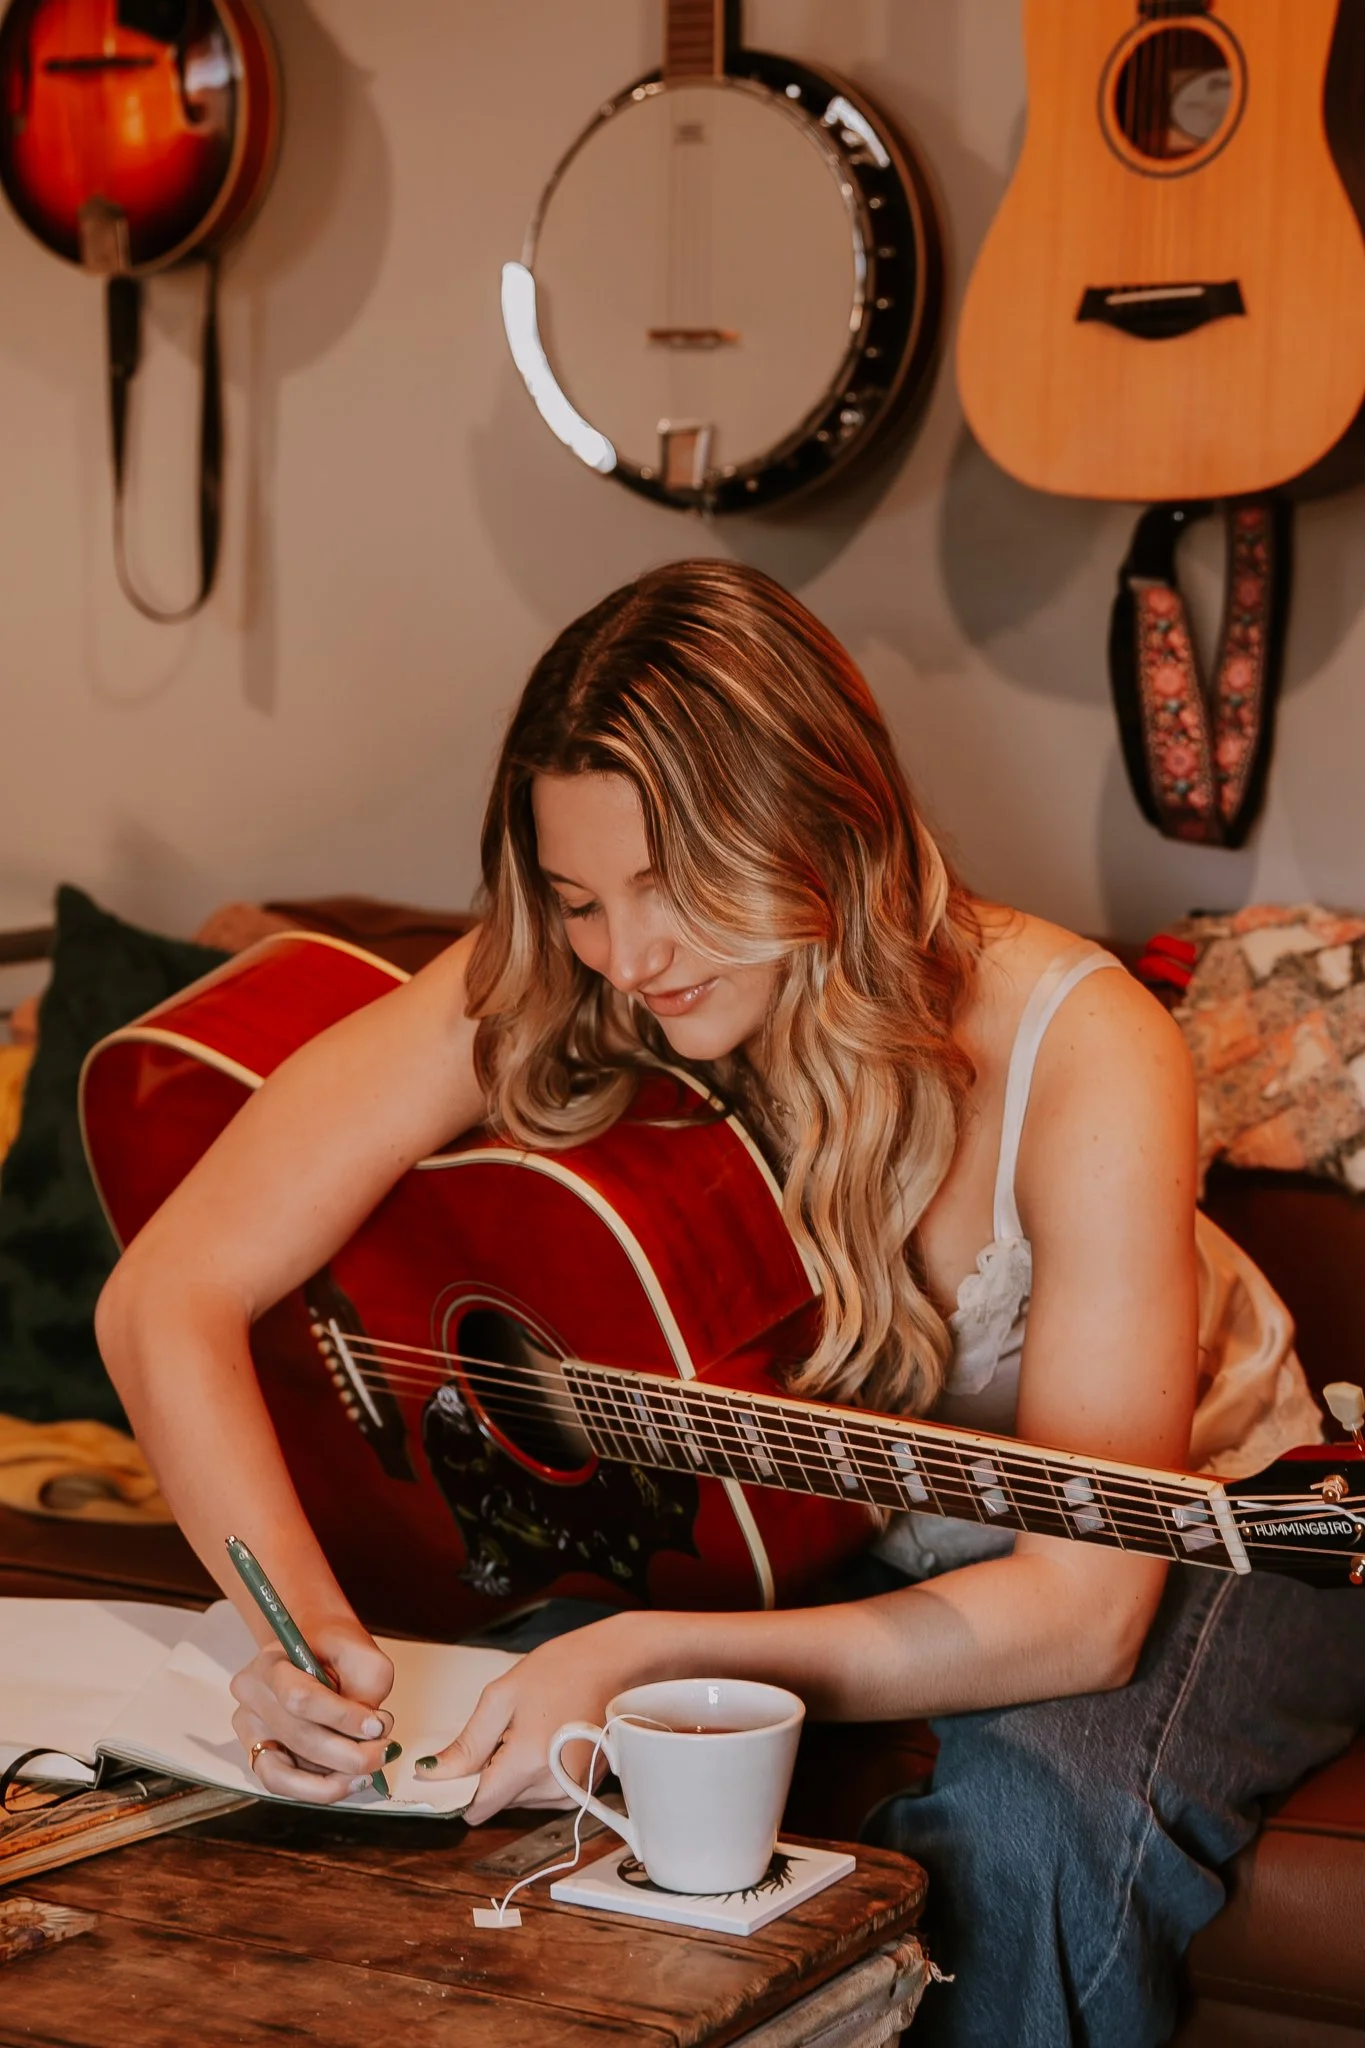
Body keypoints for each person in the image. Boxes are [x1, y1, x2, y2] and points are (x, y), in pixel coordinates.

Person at [96, 560, 1364, 2047]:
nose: (629, 959)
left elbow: (1082, 1618)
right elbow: (167, 1294)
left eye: (676, 888)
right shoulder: (570, 976)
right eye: (578, 900)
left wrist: (658, 1653)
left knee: (1030, 1824)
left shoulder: (1086, 1048)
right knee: (451, 1760)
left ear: (824, 820)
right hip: (809, 1539)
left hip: (1199, 1538)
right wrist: (301, 1642)